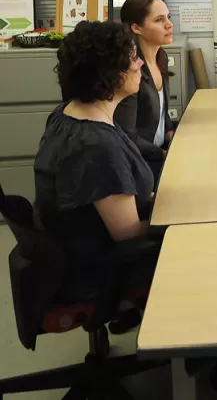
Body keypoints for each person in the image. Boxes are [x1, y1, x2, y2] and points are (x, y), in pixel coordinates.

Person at [34, 20, 159, 334]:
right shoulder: (96, 146)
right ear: (113, 74)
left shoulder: (68, 113)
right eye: (133, 58)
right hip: (97, 268)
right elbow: (130, 237)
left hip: (78, 251)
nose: (141, 63)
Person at [114, 0, 175, 187]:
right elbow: (126, 136)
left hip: (159, 152)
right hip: (141, 162)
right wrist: (166, 154)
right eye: (159, 20)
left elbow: (162, 115)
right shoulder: (130, 72)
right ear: (136, 28)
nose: (169, 25)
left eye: (168, 17)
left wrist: (172, 135)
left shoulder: (161, 57)